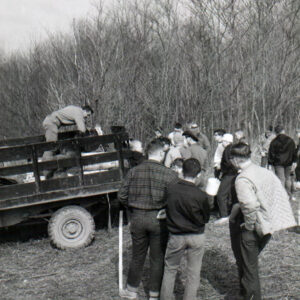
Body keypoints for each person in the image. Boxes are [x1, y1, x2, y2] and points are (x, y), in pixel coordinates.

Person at [229, 143, 296, 300]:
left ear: (236, 159)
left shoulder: (242, 179)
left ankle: (251, 296)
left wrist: (249, 224)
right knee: (248, 264)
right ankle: (245, 294)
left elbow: (250, 205)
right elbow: (279, 193)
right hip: (267, 226)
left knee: (248, 268)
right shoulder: (264, 172)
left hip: (252, 229)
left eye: (231, 159)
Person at [118, 139, 178, 300]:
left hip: (137, 217)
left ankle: (131, 291)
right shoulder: (170, 174)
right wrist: (166, 209)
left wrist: (132, 208)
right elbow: (175, 199)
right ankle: (154, 294)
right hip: (158, 218)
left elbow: (122, 196)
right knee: (157, 257)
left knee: (138, 255)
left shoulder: (133, 171)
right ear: (160, 153)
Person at [160, 158, 210, 300]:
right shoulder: (200, 195)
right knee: (193, 272)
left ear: (181, 171)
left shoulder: (170, 189)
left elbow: (165, 207)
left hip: (176, 235)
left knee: (170, 269)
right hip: (196, 236)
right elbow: (205, 218)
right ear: (198, 175)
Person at [268, 124, 297, 199]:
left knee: (281, 179)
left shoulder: (274, 142)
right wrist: (295, 161)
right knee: (288, 178)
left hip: (278, 163)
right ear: (283, 130)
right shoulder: (291, 140)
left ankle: (282, 196)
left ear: (276, 132)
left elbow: (271, 153)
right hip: (289, 162)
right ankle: (289, 195)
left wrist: (270, 163)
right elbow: (294, 152)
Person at [215, 133, 237, 224]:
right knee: (230, 195)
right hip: (233, 174)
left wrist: (221, 167)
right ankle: (230, 213)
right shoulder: (233, 148)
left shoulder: (228, 149)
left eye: (223, 141)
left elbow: (229, 163)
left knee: (221, 194)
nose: (222, 142)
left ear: (227, 141)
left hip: (229, 174)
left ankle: (224, 215)